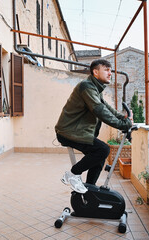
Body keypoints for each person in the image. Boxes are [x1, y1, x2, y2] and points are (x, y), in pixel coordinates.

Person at [55, 59, 132, 194]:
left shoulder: (95, 87)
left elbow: (106, 107)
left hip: (78, 132)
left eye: (110, 70)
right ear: (96, 72)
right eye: (106, 70)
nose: (110, 73)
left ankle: (89, 190)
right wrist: (122, 125)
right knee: (102, 150)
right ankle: (72, 175)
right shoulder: (87, 87)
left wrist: (123, 118)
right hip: (69, 132)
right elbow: (99, 110)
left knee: (99, 156)